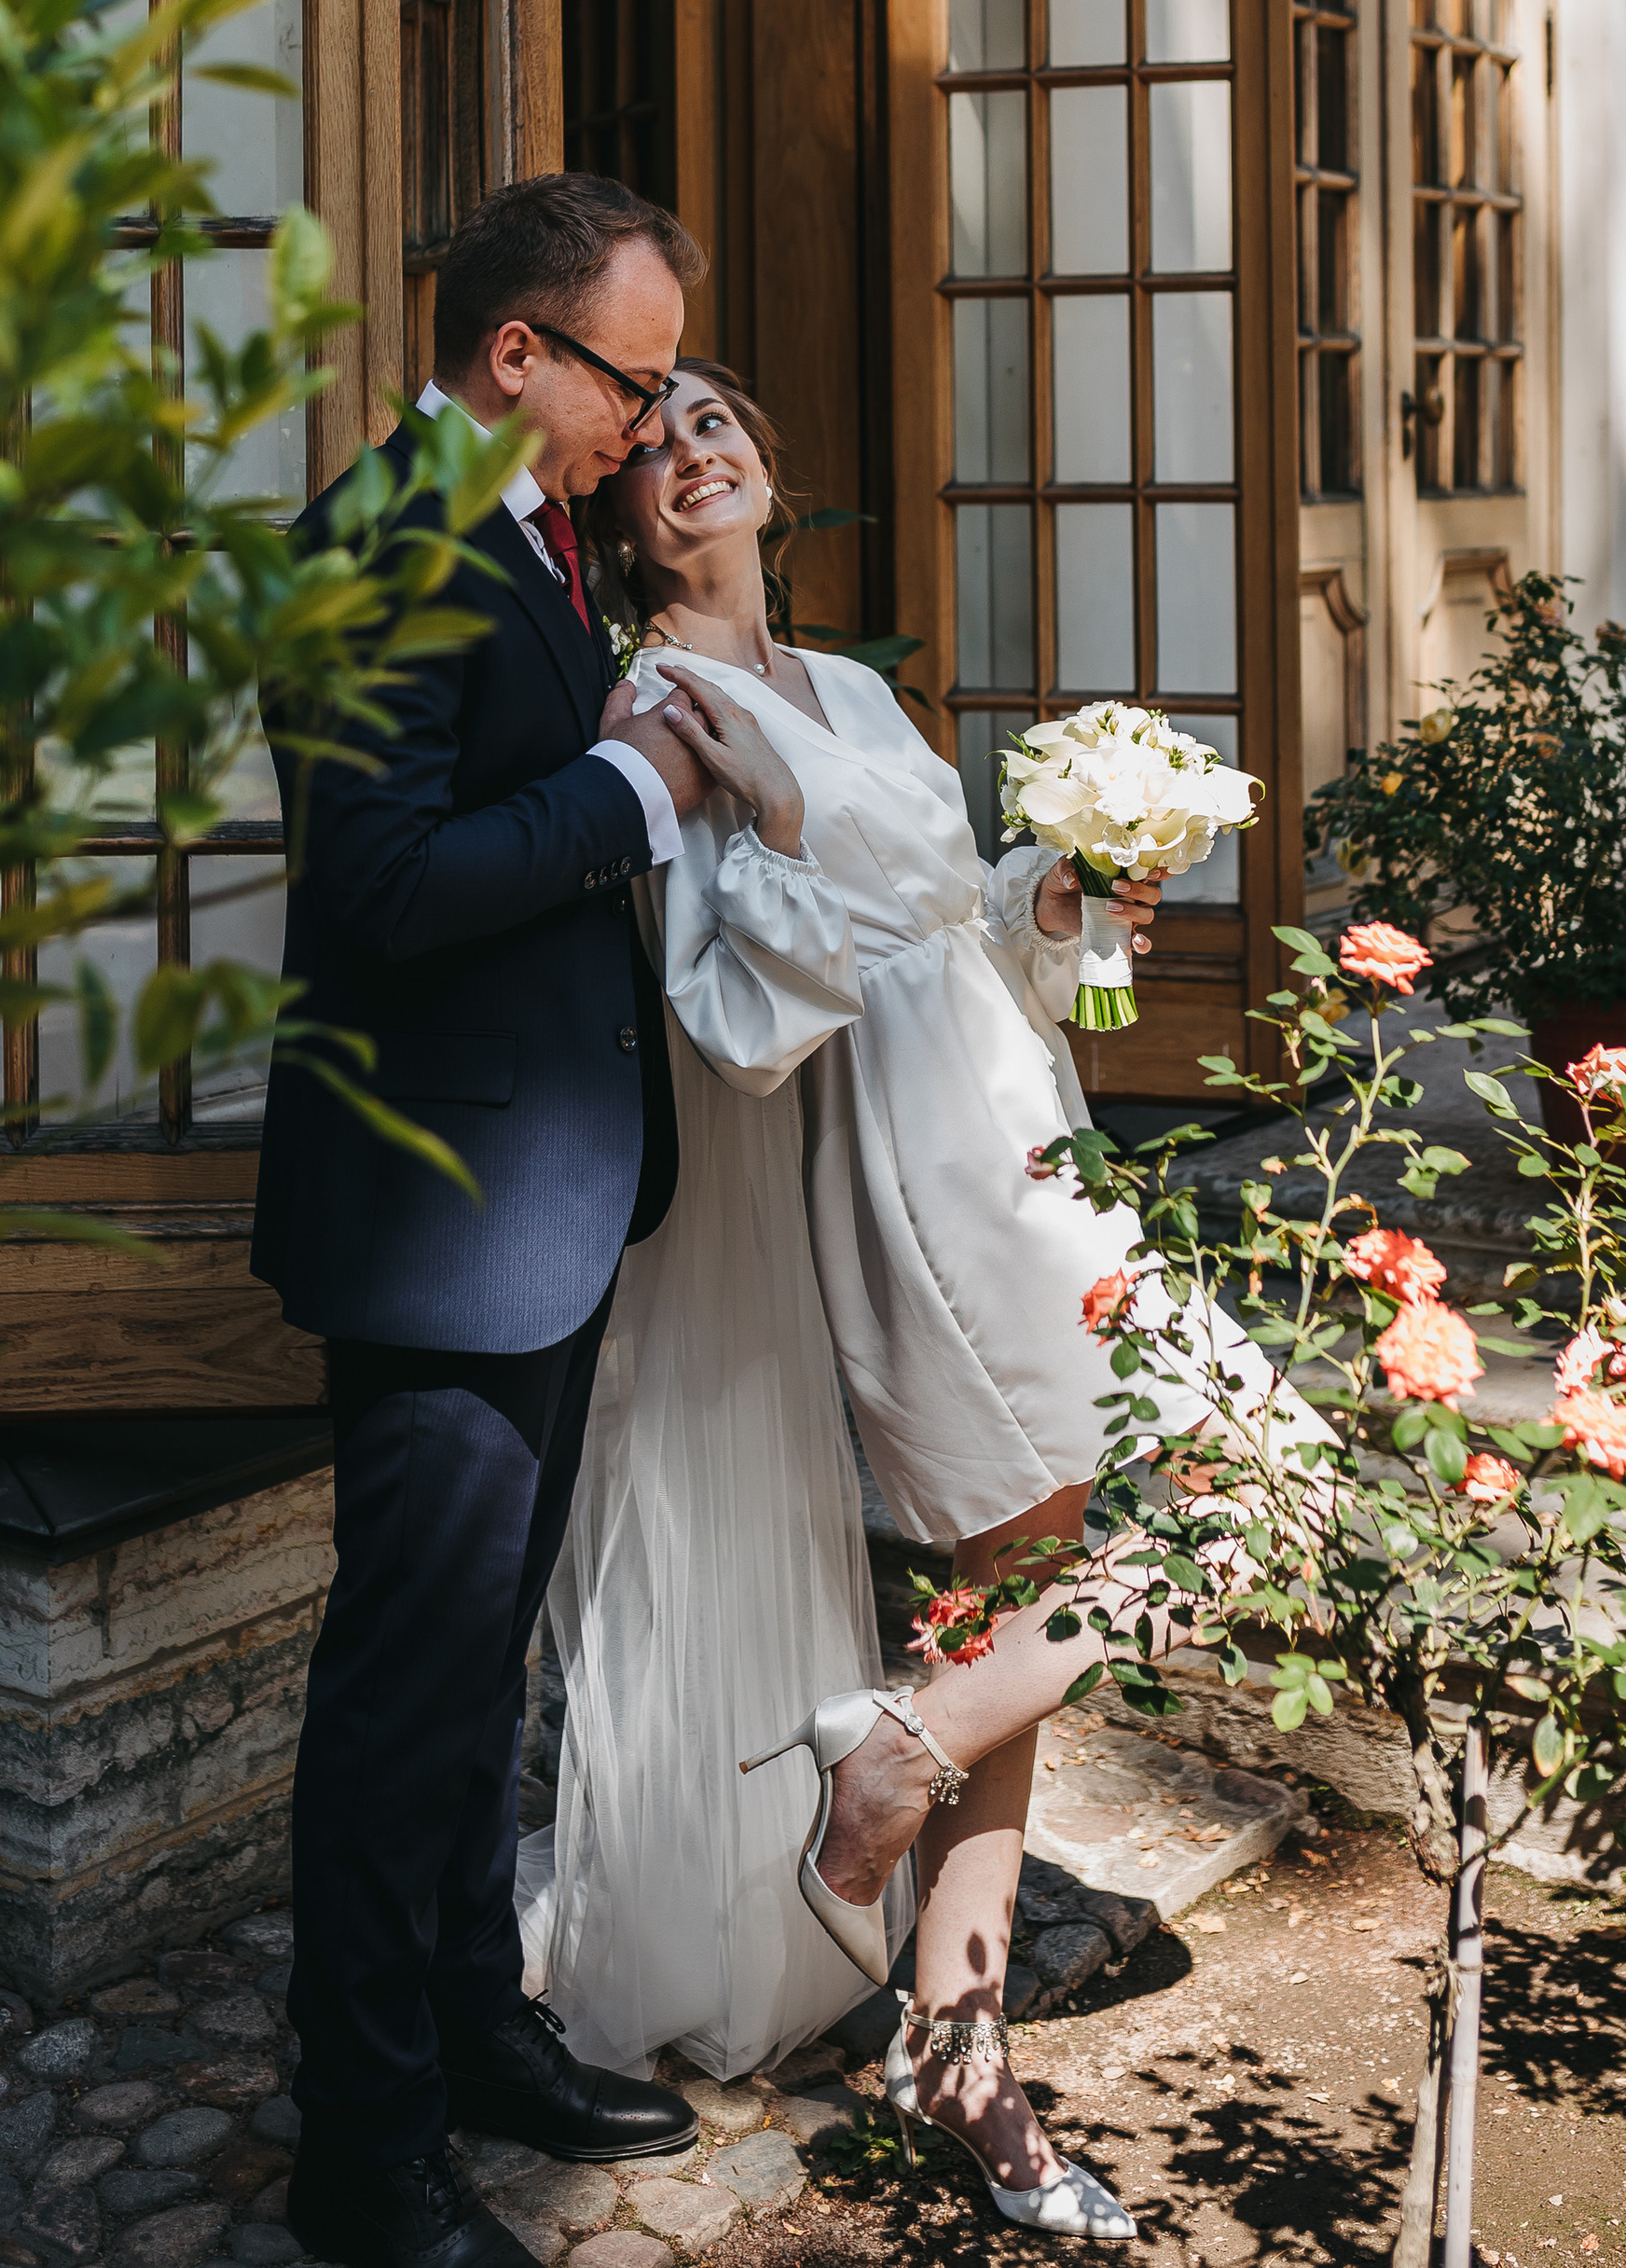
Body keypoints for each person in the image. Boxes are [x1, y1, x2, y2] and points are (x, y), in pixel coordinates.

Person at [537, 363, 1321, 2241]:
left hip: (1005, 1120)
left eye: (716, 423)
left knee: (1007, 1588)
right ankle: (899, 1746)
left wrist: (1064, 889)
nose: (689, 453)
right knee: (1265, 1483)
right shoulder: (657, 707)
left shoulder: (864, 692)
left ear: (767, 472)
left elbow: (962, 932)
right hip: (907, 1185)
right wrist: (782, 843)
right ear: (618, 514)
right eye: (648, 448)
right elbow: (727, 1029)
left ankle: (954, 2046)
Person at [254, 176, 723, 2268]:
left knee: (474, 1684)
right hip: (439, 1217)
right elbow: (379, 891)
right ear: (516, 354)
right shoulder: (375, 543)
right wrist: (625, 795)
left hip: (536, 1197)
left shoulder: (532, 533)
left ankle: (475, 2027)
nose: (650, 415)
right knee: (398, 1706)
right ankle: (361, 2162)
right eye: (629, 371)